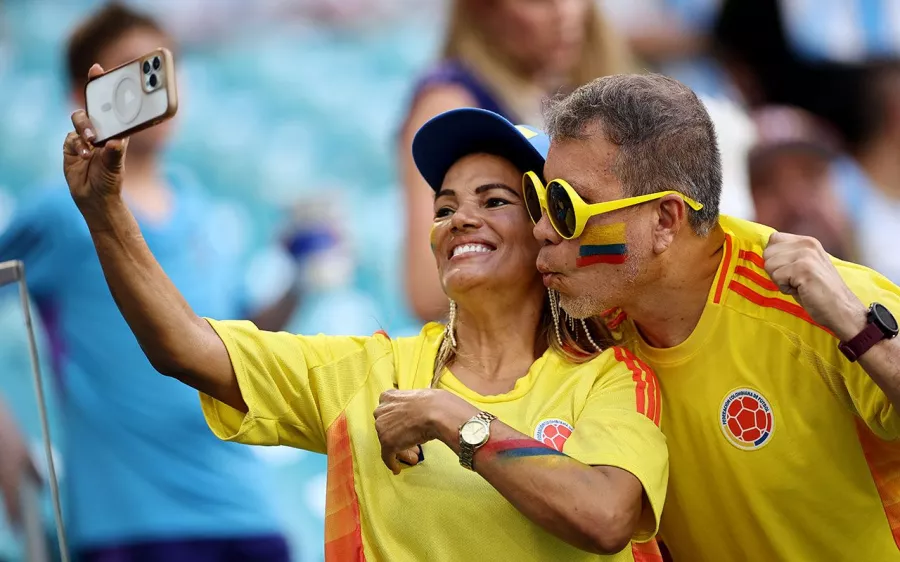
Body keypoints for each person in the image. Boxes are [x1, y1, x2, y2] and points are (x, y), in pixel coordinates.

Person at [62, 97, 670, 561]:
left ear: (546, 230)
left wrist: (452, 418)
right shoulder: (370, 373)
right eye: (444, 207)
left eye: (493, 201)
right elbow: (184, 347)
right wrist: (106, 213)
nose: (459, 219)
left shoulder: (613, 379)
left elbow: (606, 517)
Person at [523, 73, 900, 560]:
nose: (541, 229)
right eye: (539, 197)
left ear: (664, 220)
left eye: (566, 206)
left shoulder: (825, 302)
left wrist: (854, 324)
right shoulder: (594, 327)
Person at [0, 4, 295, 560]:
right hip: (129, 521)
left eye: (161, 67)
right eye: (129, 74)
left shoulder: (209, 213)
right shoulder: (61, 213)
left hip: (244, 506)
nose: (157, 87)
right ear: (81, 96)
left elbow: (236, 340)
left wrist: (303, 279)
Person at [400, 0, 634, 322]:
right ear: (481, 8)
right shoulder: (449, 104)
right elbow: (426, 291)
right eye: (539, 1)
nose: (566, 12)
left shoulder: (570, 92)